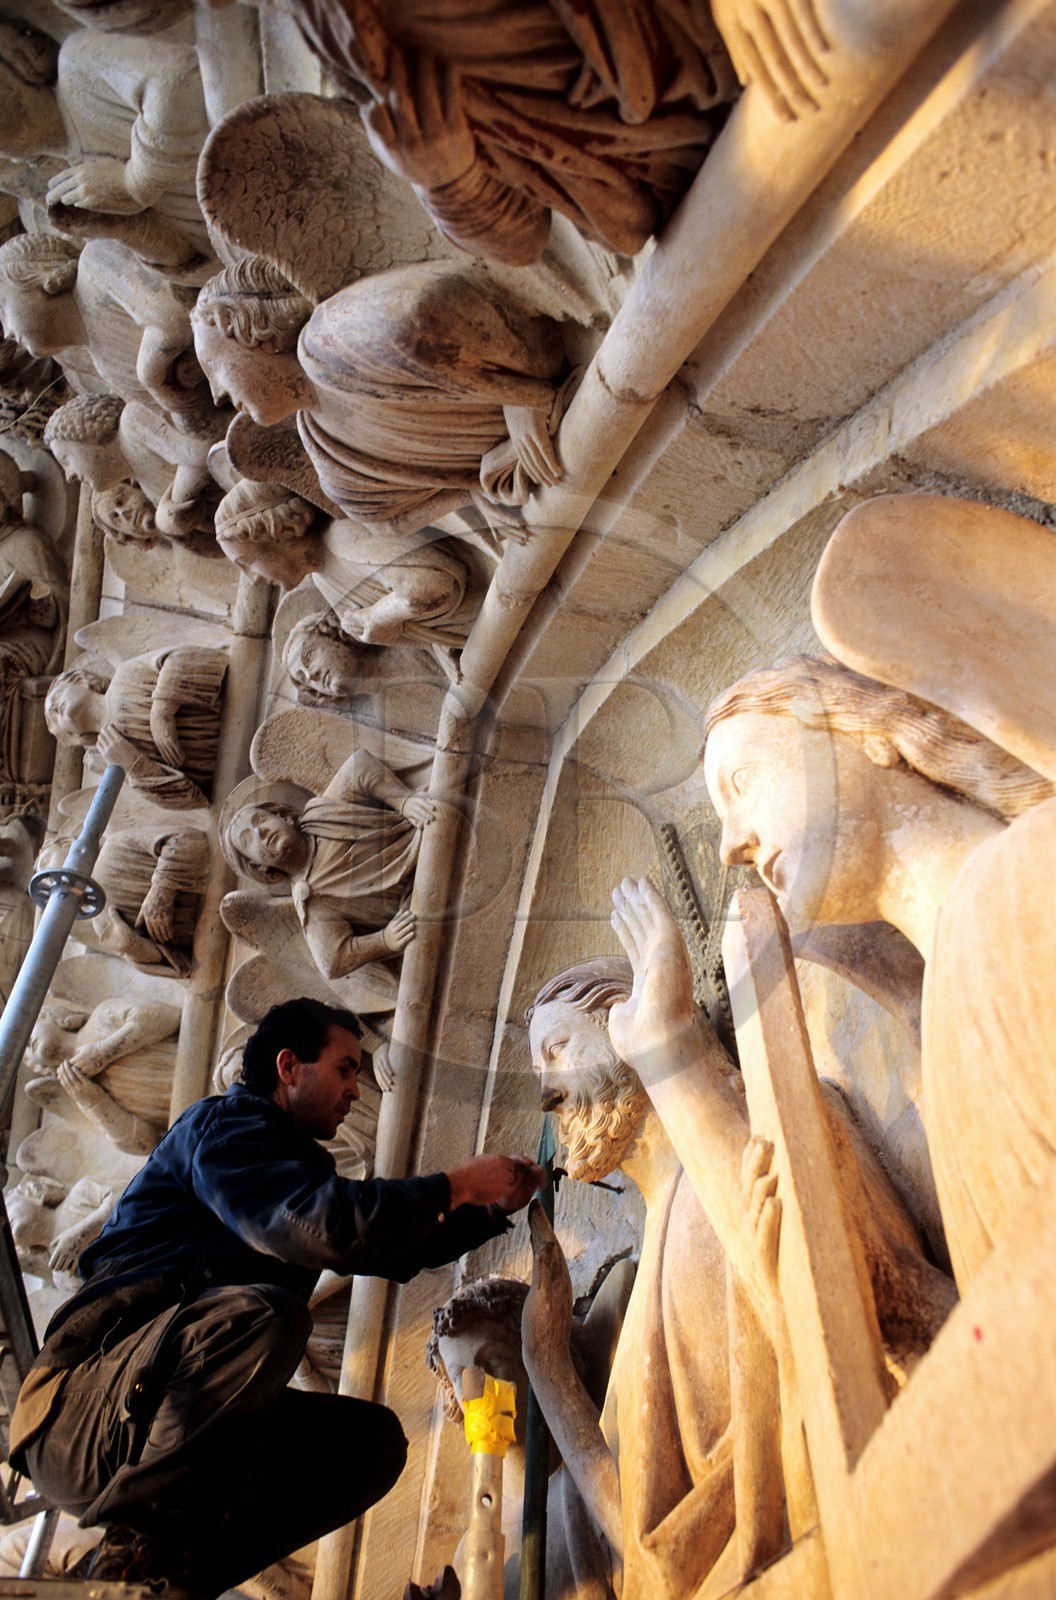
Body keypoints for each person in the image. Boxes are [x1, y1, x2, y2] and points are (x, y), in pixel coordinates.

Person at [8, 997, 545, 1599]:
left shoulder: (284, 1160)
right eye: (345, 1069)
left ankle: (163, 1580)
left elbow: (383, 1247)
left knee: (367, 1446)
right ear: (289, 1067)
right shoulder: (225, 1128)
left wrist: (489, 1209)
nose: (356, 1092)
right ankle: (136, 1537)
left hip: (150, 1422)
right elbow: (323, 1226)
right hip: (81, 1418)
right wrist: (458, 1182)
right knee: (264, 1314)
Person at [702, 648, 1056, 1288]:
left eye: (743, 781)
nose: (731, 846)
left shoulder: (1031, 870)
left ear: (863, 734)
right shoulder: (947, 1017)